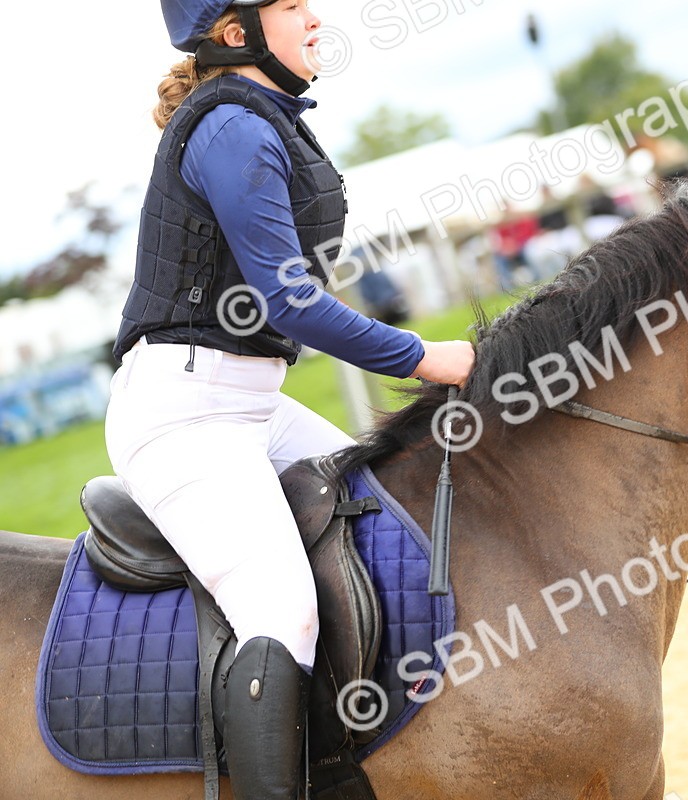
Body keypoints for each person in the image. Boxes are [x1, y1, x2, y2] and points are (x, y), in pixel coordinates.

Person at [105, 1, 474, 796]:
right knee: (282, 609)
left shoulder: (268, 114)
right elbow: (291, 302)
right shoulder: (232, 128)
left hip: (248, 404)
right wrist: (425, 356)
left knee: (382, 523)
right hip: (181, 416)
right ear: (236, 34)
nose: (315, 18)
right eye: (292, 7)